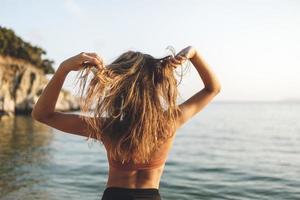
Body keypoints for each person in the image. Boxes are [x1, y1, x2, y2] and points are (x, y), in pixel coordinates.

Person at [31, 46, 221, 200]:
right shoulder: (169, 122)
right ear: (156, 84)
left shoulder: (107, 128)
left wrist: (64, 68)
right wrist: (193, 54)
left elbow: (43, 115)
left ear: (119, 88)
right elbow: (213, 89)